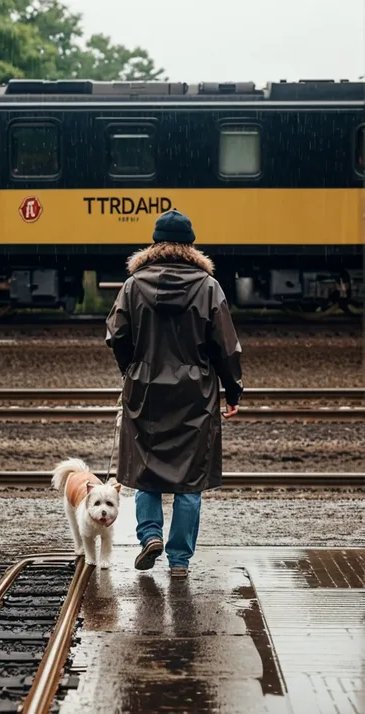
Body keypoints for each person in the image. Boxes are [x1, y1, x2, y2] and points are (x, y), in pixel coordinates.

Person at [106, 209, 243, 578]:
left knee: (146, 470)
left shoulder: (133, 285)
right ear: (191, 245)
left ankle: (150, 535)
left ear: (154, 244)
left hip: (145, 392)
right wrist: (233, 390)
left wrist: (132, 370)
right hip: (194, 396)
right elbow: (225, 346)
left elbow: (116, 336)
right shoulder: (208, 287)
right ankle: (179, 560)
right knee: (189, 478)